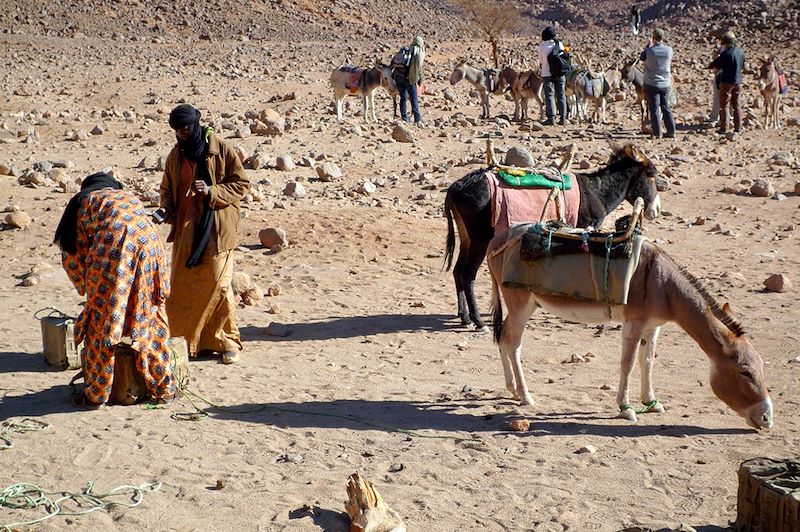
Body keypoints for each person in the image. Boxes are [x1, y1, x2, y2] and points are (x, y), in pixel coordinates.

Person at [55, 172, 175, 407]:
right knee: (150, 316)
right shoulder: (126, 197)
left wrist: (88, 288)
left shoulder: (84, 201)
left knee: (103, 323)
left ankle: (96, 394)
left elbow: (71, 252)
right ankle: (164, 388)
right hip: (151, 249)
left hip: (115, 250)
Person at [159, 104, 250, 364]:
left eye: (185, 130)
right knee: (182, 287)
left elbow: (241, 184)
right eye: (177, 131)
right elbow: (167, 187)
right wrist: (166, 208)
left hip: (216, 230)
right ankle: (184, 341)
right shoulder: (176, 155)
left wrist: (212, 191)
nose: (181, 135)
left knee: (219, 285)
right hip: (187, 229)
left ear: (196, 125)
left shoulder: (220, 149)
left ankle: (227, 342)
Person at [640, 28, 676, 138]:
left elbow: (642, 58)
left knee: (654, 108)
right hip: (665, 83)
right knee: (665, 107)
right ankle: (671, 131)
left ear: (654, 37)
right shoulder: (669, 50)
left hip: (652, 83)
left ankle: (657, 132)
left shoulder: (649, 51)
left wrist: (648, 46)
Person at [708, 32, 744, 134]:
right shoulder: (741, 52)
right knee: (737, 105)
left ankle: (724, 128)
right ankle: (738, 128)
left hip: (726, 82)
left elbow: (715, 65)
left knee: (724, 106)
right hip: (738, 81)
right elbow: (742, 64)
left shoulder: (725, 54)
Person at [538, 25, 567, 126]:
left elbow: (541, 61)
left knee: (549, 94)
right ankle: (563, 118)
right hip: (560, 73)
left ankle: (551, 118)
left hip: (547, 73)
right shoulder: (559, 44)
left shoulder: (542, 46)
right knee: (561, 94)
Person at [396, 35, 425, 124]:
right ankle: (417, 118)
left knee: (403, 97)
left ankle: (404, 117)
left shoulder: (405, 51)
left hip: (398, 77)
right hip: (409, 78)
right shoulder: (418, 52)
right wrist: (420, 78)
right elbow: (418, 68)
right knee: (413, 97)